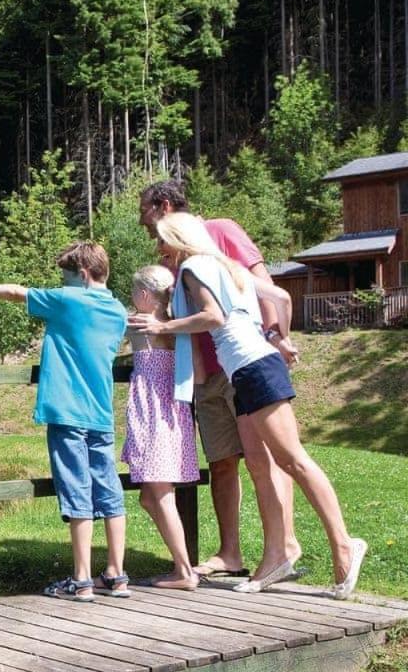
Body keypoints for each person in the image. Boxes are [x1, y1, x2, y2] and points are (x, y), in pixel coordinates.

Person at [131, 212, 366, 599]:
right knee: (261, 464)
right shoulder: (227, 264)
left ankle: (344, 544)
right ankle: (276, 556)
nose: (159, 249)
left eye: (162, 241)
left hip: (253, 367)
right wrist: (278, 337)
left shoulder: (192, 266)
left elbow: (212, 316)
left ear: (177, 239)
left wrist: (161, 327)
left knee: (293, 460)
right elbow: (282, 297)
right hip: (249, 367)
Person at [138, 181, 302, 589]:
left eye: (145, 214)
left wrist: (276, 336)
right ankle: (231, 553)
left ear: (162, 205)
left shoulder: (221, 231)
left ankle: (284, 547)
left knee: (264, 459)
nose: (145, 227)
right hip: (207, 374)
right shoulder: (176, 255)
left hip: (242, 365)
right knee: (223, 462)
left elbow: (266, 286)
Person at [0, 242, 129, 602]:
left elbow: (15, 292)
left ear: (82, 276)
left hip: (68, 413)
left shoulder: (68, 301)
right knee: (109, 490)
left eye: (65, 278)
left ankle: (82, 580)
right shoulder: (117, 310)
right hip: (101, 415)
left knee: (77, 491)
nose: (60, 285)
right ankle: (117, 575)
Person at [122, 266, 200, 589]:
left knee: (162, 493)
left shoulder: (139, 321)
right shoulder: (173, 324)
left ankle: (184, 572)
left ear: (143, 296)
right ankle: (182, 568)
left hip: (153, 410)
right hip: (171, 408)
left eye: (132, 292)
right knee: (148, 498)